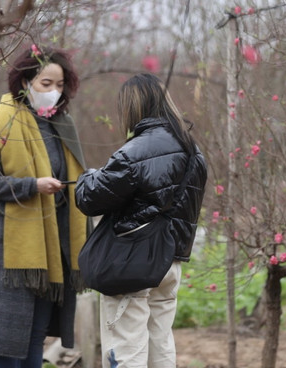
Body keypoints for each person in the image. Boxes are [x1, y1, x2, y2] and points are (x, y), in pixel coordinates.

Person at [0, 46, 88, 368]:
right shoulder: (3, 120)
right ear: (26, 81)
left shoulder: (61, 125)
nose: (54, 92)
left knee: (36, 335)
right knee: (7, 341)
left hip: (52, 247)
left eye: (60, 86)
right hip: (11, 249)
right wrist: (32, 186)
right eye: (46, 84)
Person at [74, 72, 207, 368]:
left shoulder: (134, 152)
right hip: (170, 262)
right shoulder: (193, 151)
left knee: (127, 349)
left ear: (133, 108)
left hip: (133, 264)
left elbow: (89, 199)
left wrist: (87, 177)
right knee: (160, 344)